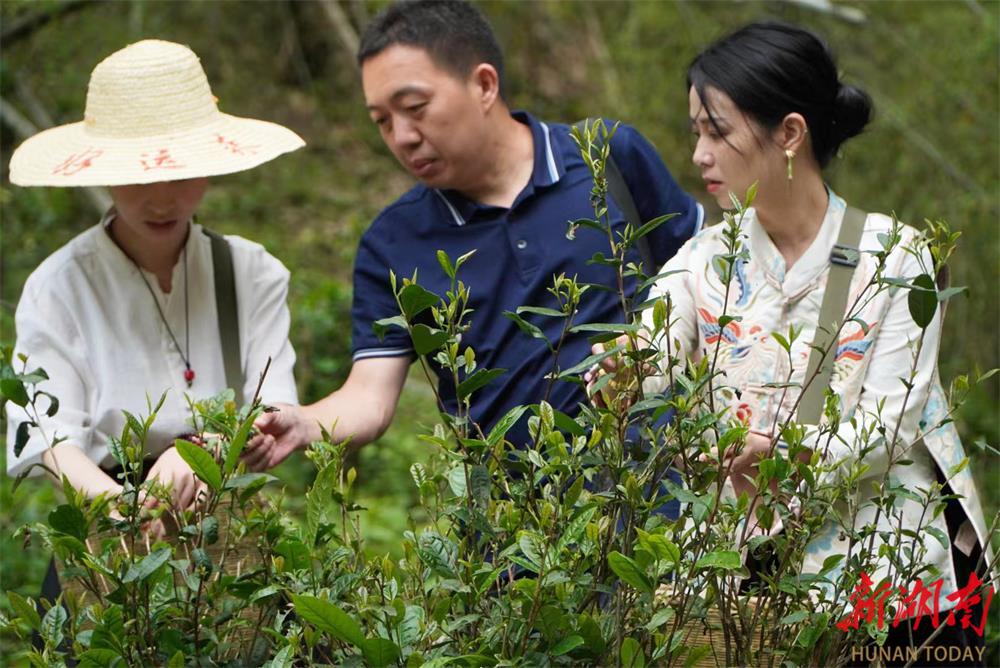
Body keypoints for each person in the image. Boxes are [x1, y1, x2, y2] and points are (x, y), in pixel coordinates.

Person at [593, 21, 991, 666]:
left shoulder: (896, 256)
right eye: (697, 130)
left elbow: (888, 423)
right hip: (751, 580)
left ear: (789, 133)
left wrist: (774, 455)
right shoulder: (702, 259)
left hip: (893, 575)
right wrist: (623, 372)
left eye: (716, 130)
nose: (698, 154)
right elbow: (655, 350)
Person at [244, 0, 702, 469]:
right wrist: (302, 424)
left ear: (484, 84)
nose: (401, 136)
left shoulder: (606, 158)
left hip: (664, 505)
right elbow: (369, 396)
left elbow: (716, 285)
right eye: (382, 120)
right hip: (515, 529)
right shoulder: (393, 243)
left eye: (415, 107)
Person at [6, 40, 303, 526]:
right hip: (106, 514)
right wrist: (125, 511)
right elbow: (47, 438)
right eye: (139, 176)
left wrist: (201, 452)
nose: (162, 200)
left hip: (226, 517)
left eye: (180, 173)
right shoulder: (59, 286)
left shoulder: (252, 272)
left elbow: (273, 409)